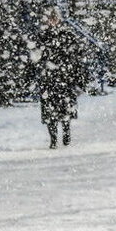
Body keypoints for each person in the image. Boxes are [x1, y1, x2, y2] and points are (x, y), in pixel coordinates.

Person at [37, 9, 86, 148]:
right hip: (50, 79)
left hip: (64, 78)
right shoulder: (44, 36)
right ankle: (53, 139)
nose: (52, 21)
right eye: (50, 19)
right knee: (50, 112)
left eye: (54, 18)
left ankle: (65, 133)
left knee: (64, 110)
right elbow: (37, 57)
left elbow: (77, 55)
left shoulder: (66, 35)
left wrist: (76, 76)